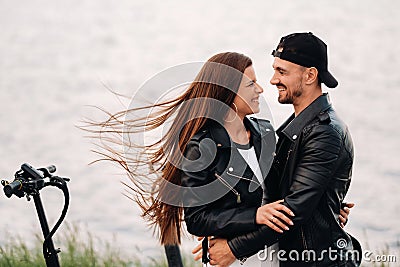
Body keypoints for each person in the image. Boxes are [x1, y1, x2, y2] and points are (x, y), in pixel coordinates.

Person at [206, 32, 361, 267]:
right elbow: (273, 198)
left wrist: (233, 249)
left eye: (282, 72)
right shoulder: (292, 129)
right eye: (275, 70)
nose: (272, 80)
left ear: (310, 75)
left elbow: (293, 211)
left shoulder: (325, 133)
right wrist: (228, 232)